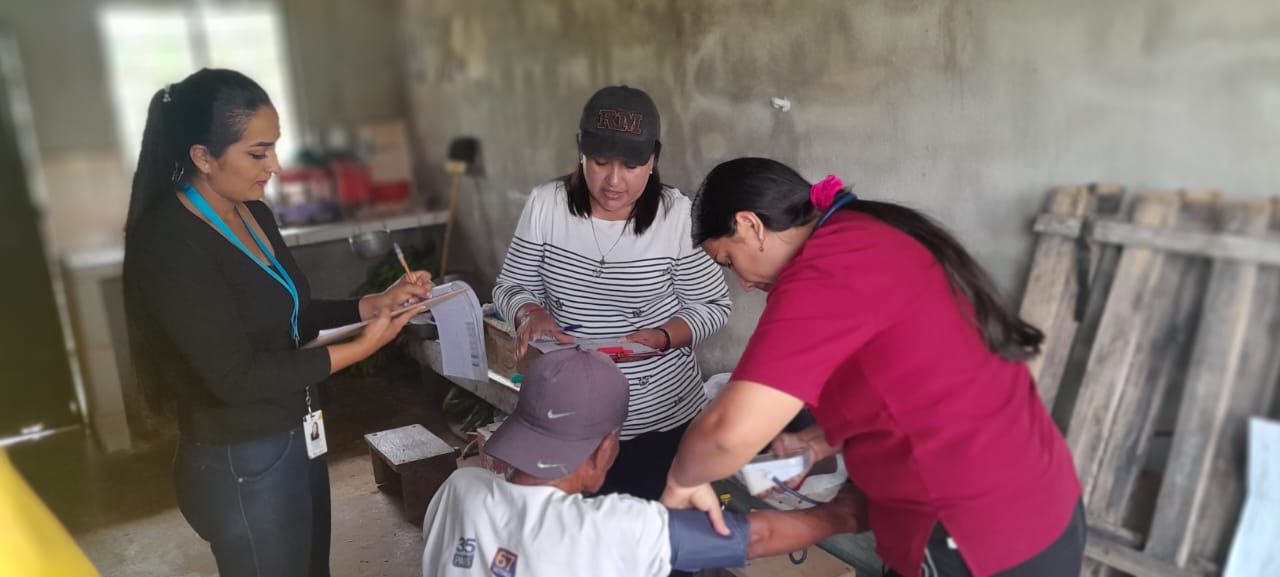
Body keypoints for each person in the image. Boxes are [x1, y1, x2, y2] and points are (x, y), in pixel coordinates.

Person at [661, 157, 1085, 577]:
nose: (743, 282)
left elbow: (725, 435)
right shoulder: (864, 235)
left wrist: (682, 480)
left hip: (978, 534)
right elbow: (910, 380)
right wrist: (817, 442)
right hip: (1037, 502)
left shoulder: (827, 269)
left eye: (729, 261)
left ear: (750, 225)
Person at [122, 68, 430, 577]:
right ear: (203, 156)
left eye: (274, 148)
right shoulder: (172, 242)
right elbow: (235, 379)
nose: (276, 166)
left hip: (295, 433)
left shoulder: (253, 213)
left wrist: (373, 304)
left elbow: (291, 315)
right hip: (241, 459)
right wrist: (363, 347)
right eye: (258, 153)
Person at [421, 348, 865, 577]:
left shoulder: (461, 490)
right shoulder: (611, 528)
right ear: (606, 449)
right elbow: (757, 536)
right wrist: (843, 514)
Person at [492, 86, 731, 502]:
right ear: (581, 151)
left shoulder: (676, 218)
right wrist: (529, 311)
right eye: (600, 162)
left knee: (655, 528)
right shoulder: (547, 206)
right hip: (571, 418)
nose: (614, 180)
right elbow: (510, 285)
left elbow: (713, 306)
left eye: (631, 165)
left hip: (660, 415)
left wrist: (664, 336)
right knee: (577, 531)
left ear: (653, 159)